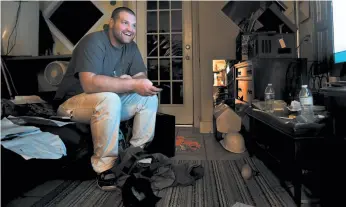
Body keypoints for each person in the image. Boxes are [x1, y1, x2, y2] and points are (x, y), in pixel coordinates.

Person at [53, 7, 161, 191]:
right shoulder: (93, 41)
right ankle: (104, 167)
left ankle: (135, 155)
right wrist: (130, 83)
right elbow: (89, 84)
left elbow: (140, 75)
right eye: (125, 22)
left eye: (133, 25)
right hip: (73, 103)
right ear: (111, 23)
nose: (130, 29)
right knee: (109, 99)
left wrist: (137, 82)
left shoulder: (131, 47)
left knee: (148, 98)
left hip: (110, 102)